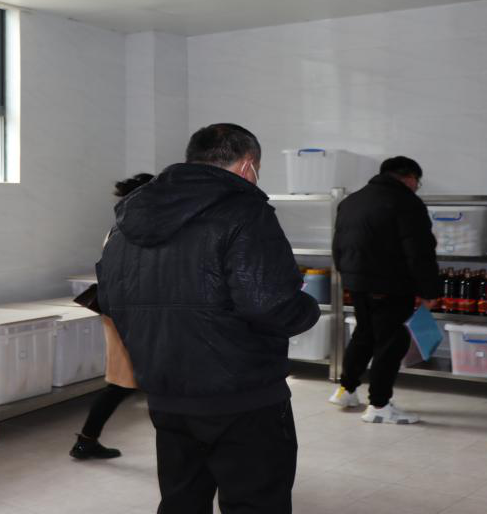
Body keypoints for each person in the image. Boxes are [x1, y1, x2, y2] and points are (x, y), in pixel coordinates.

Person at [98, 124, 321, 514]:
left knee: (182, 498)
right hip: (241, 392)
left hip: (166, 392)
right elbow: (268, 304)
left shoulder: (128, 220)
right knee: (256, 501)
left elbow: (109, 298)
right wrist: (308, 309)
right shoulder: (245, 210)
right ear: (248, 165)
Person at [329, 156, 439, 425]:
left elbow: (338, 245)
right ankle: (379, 405)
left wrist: (350, 278)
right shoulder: (407, 203)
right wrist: (429, 290)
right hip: (390, 284)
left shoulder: (352, 201)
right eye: (417, 182)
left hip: (357, 282)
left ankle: (346, 390)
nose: (416, 187)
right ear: (410, 178)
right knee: (391, 342)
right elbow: (419, 252)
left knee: (364, 334)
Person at [69, 173, 154, 461]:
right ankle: (86, 441)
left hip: (122, 314)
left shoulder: (120, 229)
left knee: (123, 382)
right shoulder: (137, 232)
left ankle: (86, 441)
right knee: (126, 382)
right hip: (131, 317)